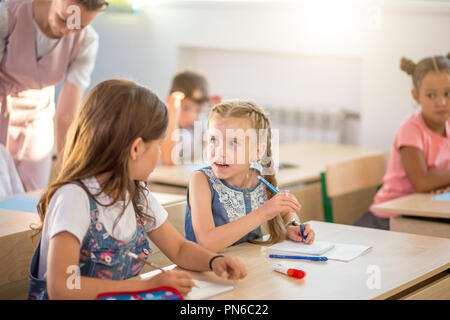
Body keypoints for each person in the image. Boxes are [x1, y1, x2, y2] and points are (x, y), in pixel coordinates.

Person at [28, 79, 246, 300]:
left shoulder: (136, 194)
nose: (161, 154)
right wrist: (146, 285)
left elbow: (179, 249)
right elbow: (62, 288)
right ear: (136, 148)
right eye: (159, 144)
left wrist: (214, 261)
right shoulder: (75, 198)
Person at [185, 100, 315, 252]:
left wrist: (291, 226)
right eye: (214, 140)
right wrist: (262, 213)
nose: (220, 151)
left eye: (233, 143)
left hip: (248, 266)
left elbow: (285, 212)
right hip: (207, 270)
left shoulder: (260, 179)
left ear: (258, 152)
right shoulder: (201, 181)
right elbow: (207, 242)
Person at [0, 0, 104, 191]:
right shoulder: (7, 16)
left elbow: (67, 114)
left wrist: (68, 169)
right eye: (63, 19)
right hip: (1, 110)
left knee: (32, 199)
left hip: (38, 121)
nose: (68, 30)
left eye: (79, 26)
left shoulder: (86, 41)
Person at [355, 54, 450, 230]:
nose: (442, 102)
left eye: (448, 93)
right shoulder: (411, 129)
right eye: (431, 95)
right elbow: (422, 182)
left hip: (427, 212)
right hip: (390, 218)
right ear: (416, 96)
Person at [160, 70, 221, 165]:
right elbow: (169, 160)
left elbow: (209, 154)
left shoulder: (199, 125)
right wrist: (172, 115)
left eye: (198, 110)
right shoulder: (164, 126)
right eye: (185, 108)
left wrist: (217, 117)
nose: (191, 116)